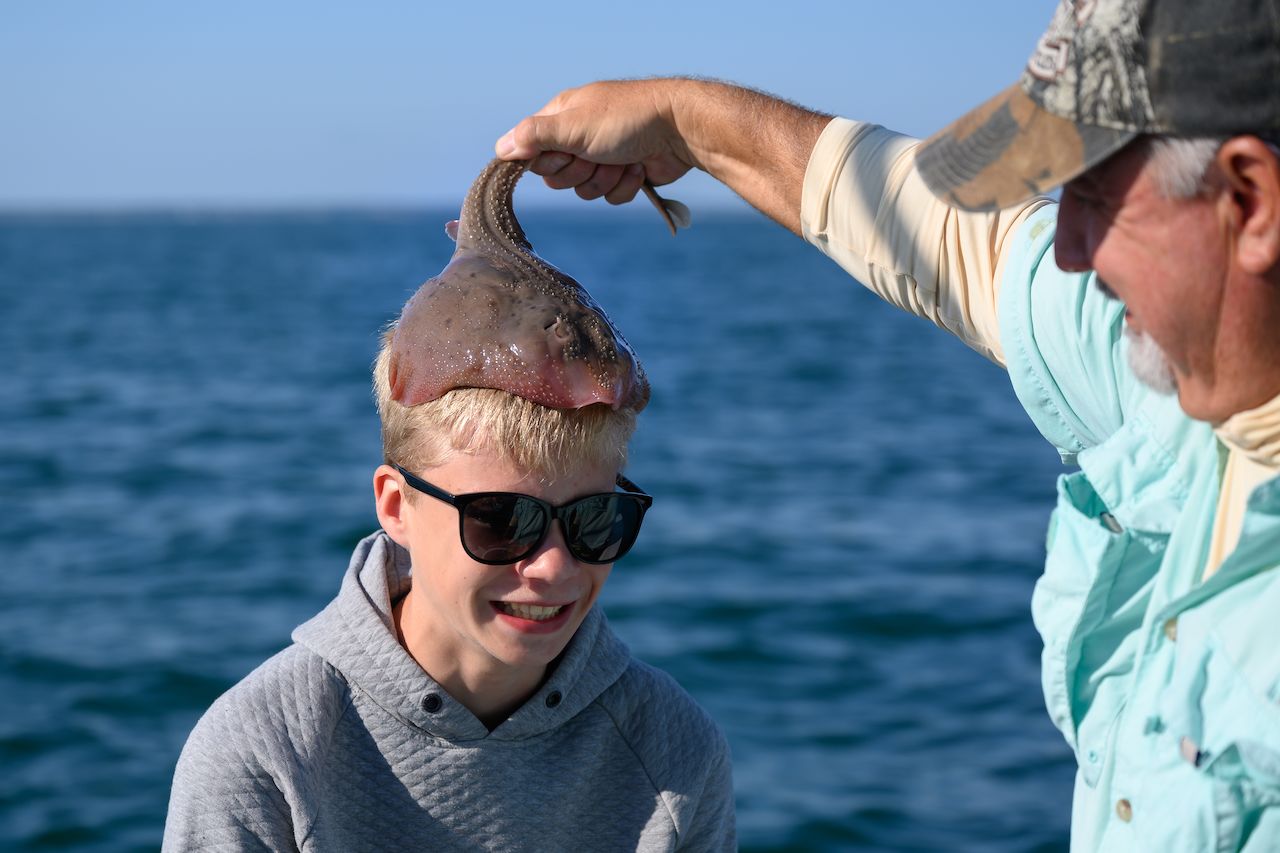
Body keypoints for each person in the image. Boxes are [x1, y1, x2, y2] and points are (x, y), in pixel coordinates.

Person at [493, 0, 1280, 849]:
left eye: (1090, 195)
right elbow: (939, 235)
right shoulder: (1175, 371)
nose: (1068, 251)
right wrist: (684, 122)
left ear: (1249, 199)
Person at [162, 332, 736, 851]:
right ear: (395, 506)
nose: (555, 567)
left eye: (595, 519)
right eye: (503, 521)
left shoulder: (676, 750)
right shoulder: (264, 753)